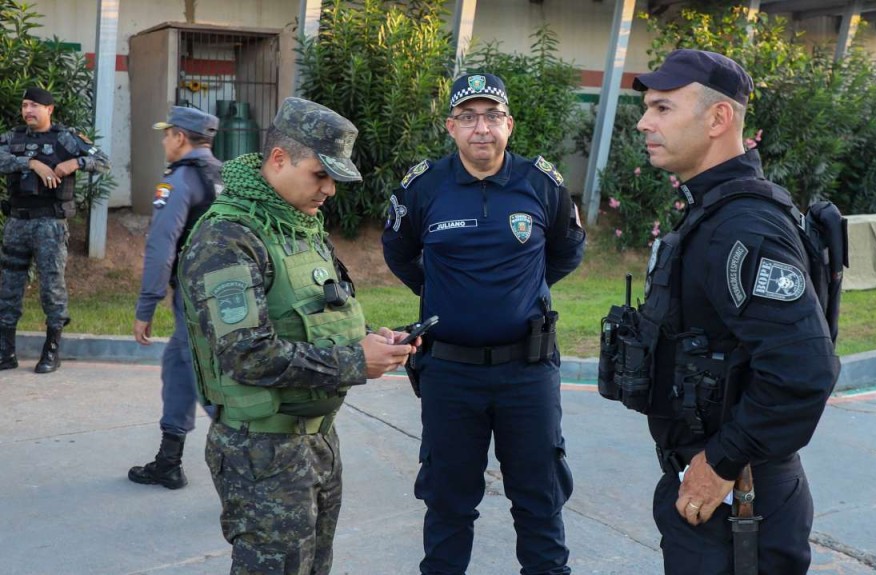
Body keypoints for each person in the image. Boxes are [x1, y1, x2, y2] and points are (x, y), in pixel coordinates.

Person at [178, 96, 415, 573]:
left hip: (316, 442)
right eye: (319, 174)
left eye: (334, 178)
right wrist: (355, 360)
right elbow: (246, 354)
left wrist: (371, 339)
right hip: (261, 452)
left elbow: (312, 316)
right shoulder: (228, 237)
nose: (329, 189)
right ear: (279, 158)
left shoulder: (297, 225)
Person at [628, 49, 840, 573]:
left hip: (741, 498)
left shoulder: (743, 226)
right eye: (648, 109)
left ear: (719, 118)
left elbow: (805, 369)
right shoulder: (715, 211)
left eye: (662, 108)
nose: (644, 122)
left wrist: (720, 462)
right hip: (721, 491)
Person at [382, 72, 586, 575]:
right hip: (450, 373)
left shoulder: (541, 182)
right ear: (451, 126)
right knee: (448, 503)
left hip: (528, 372)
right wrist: (444, 293)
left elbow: (566, 251)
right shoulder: (423, 186)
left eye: (492, 116)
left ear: (509, 125)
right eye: (469, 117)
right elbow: (400, 253)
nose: (482, 128)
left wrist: (522, 290)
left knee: (540, 501)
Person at [128, 106, 222, 490]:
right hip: (219, 291)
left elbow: (161, 245)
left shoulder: (180, 180)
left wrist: (146, 306)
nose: (164, 141)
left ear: (180, 137)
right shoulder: (220, 175)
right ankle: (169, 461)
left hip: (195, 296)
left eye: (167, 134)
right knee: (179, 366)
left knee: (202, 377)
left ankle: (260, 461)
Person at [0, 86, 110, 373]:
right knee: (8, 288)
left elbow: (103, 162)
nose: (28, 111)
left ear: (49, 109)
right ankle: (5, 352)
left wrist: (75, 162)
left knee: (51, 287)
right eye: (24, 105)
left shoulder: (66, 138)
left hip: (50, 225)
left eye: (34, 106)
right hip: (16, 223)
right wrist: (31, 163)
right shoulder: (13, 138)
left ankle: (51, 352)